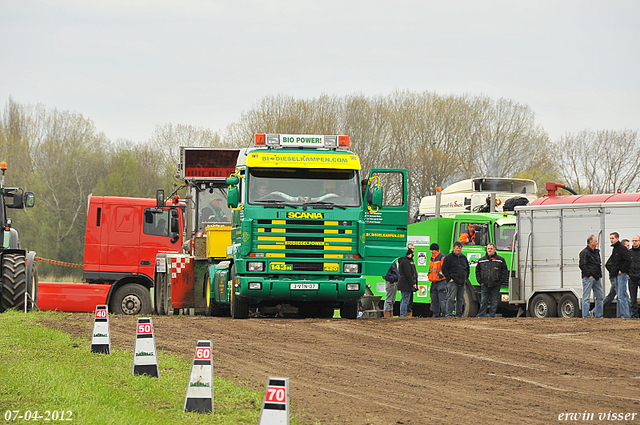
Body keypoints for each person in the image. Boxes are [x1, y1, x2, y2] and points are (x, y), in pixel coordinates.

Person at [475, 243, 508, 318]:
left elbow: (504, 272)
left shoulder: (500, 260)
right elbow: (477, 271)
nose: (489, 250)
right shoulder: (481, 260)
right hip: (485, 285)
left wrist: (499, 282)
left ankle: (492, 316)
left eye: (491, 249)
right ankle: (481, 315)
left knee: (494, 302)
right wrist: (480, 282)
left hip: (495, 285)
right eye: (488, 248)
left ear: (494, 250)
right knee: (483, 301)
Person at [604, 232, 631, 318]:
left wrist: (621, 270)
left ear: (617, 238)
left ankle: (625, 315)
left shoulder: (621, 248)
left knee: (621, 296)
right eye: (610, 238)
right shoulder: (615, 249)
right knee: (619, 296)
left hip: (621, 275)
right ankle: (620, 315)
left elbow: (628, 260)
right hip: (616, 275)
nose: (611, 240)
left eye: (613, 238)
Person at [442, 241, 470, 318]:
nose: (458, 250)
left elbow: (467, 268)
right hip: (453, 282)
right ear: (454, 248)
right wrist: (449, 278)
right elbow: (444, 268)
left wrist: (465, 278)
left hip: (462, 281)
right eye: (457, 248)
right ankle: (449, 314)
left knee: (460, 299)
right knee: (451, 298)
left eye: (460, 248)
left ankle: (459, 315)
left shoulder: (463, 257)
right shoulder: (448, 257)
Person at [580, 235, 604, 318]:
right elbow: (582, 265)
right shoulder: (584, 253)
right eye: (596, 241)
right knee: (586, 297)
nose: (597, 243)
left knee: (600, 297)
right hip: (589, 278)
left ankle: (599, 316)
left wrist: (599, 275)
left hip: (597, 278)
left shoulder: (597, 252)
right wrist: (589, 275)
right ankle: (585, 316)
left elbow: (598, 264)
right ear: (591, 242)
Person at [397, 248, 417, 318]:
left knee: (404, 299)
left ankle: (403, 314)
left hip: (403, 283)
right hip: (405, 283)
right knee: (405, 299)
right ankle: (403, 314)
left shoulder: (402, 260)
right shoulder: (406, 262)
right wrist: (413, 283)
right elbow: (408, 274)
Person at [428, 243, 446, 318]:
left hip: (441, 281)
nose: (432, 251)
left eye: (433, 250)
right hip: (433, 281)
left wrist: (442, 273)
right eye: (431, 250)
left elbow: (445, 267)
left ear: (437, 250)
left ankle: (444, 315)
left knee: (442, 300)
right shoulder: (432, 258)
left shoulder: (442, 257)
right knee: (434, 300)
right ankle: (435, 315)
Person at [628, 235, 640, 319]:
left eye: (636, 240)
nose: (634, 242)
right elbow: (625, 264)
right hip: (632, 278)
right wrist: (628, 274)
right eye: (633, 241)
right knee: (633, 298)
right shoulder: (629, 252)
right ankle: (634, 315)